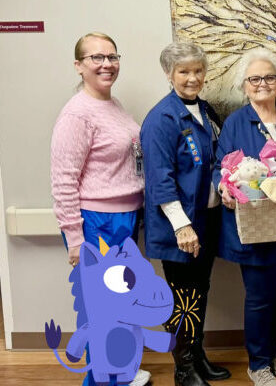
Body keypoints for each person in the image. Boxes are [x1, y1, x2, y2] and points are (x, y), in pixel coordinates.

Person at [50, 32, 151, 386]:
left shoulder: (112, 104)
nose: (107, 64)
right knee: (103, 310)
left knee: (121, 303)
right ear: (78, 66)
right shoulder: (77, 114)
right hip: (97, 222)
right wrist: (75, 238)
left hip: (125, 217)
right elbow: (63, 180)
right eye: (96, 57)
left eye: (112, 56)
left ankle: (120, 372)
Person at [212, 48, 276, 386]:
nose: (262, 84)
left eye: (269, 77)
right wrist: (224, 188)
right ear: (244, 86)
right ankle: (258, 363)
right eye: (254, 79)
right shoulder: (236, 123)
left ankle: (272, 351)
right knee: (259, 297)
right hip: (255, 225)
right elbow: (221, 167)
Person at [140, 42, 231, 386]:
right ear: (169, 74)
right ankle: (183, 368)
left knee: (199, 290)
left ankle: (197, 355)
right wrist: (182, 226)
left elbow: (216, 159)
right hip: (179, 226)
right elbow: (159, 179)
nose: (192, 78)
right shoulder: (161, 119)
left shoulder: (205, 110)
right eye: (183, 71)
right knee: (183, 298)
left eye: (197, 70)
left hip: (205, 220)